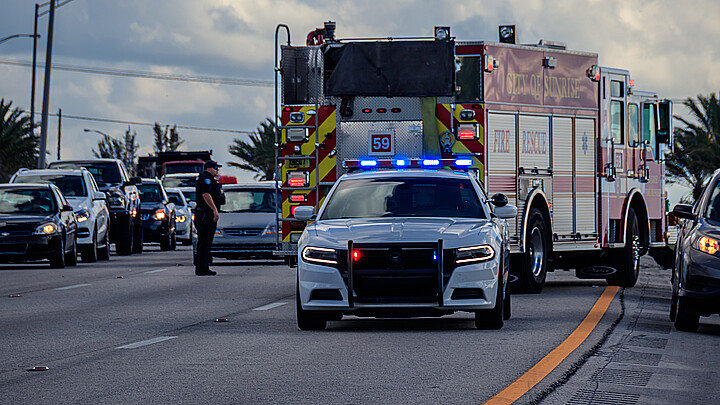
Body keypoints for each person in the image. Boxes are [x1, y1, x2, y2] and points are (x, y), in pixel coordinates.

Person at [194, 160, 223, 276]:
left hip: (205, 214)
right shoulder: (206, 179)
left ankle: (203, 266)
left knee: (206, 242)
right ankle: (202, 267)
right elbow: (206, 194)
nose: (217, 170)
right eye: (215, 168)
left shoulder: (210, 179)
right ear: (209, 168)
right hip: (205, 215)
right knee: (204, 242)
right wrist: (214, 210)